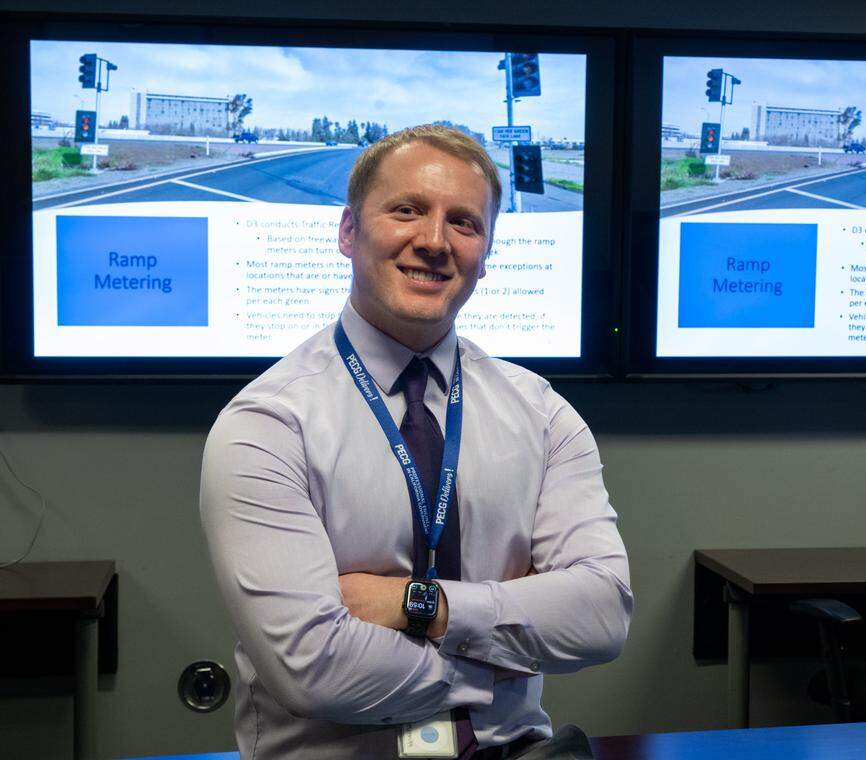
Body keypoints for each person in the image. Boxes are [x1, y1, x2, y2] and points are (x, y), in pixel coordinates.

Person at [200, 124, 633, 759]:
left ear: (485, 252)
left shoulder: (542, 413)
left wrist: (416, 605)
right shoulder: (268, 425)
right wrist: (501, 655)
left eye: (464, 223)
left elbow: (602, 615)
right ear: (349, 232)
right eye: (407, 210)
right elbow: (313, 670)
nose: (434, 242)